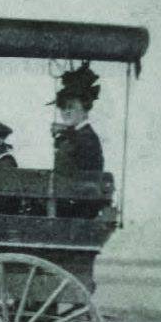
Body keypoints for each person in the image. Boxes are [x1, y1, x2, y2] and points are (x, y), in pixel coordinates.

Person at [48, 62, 105, 218]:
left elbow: (86, 184)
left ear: (85, 107)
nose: (65, 111)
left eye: (71, 106)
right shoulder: (78, 135)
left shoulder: (87, 139)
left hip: (76, 213)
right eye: (62, 106)